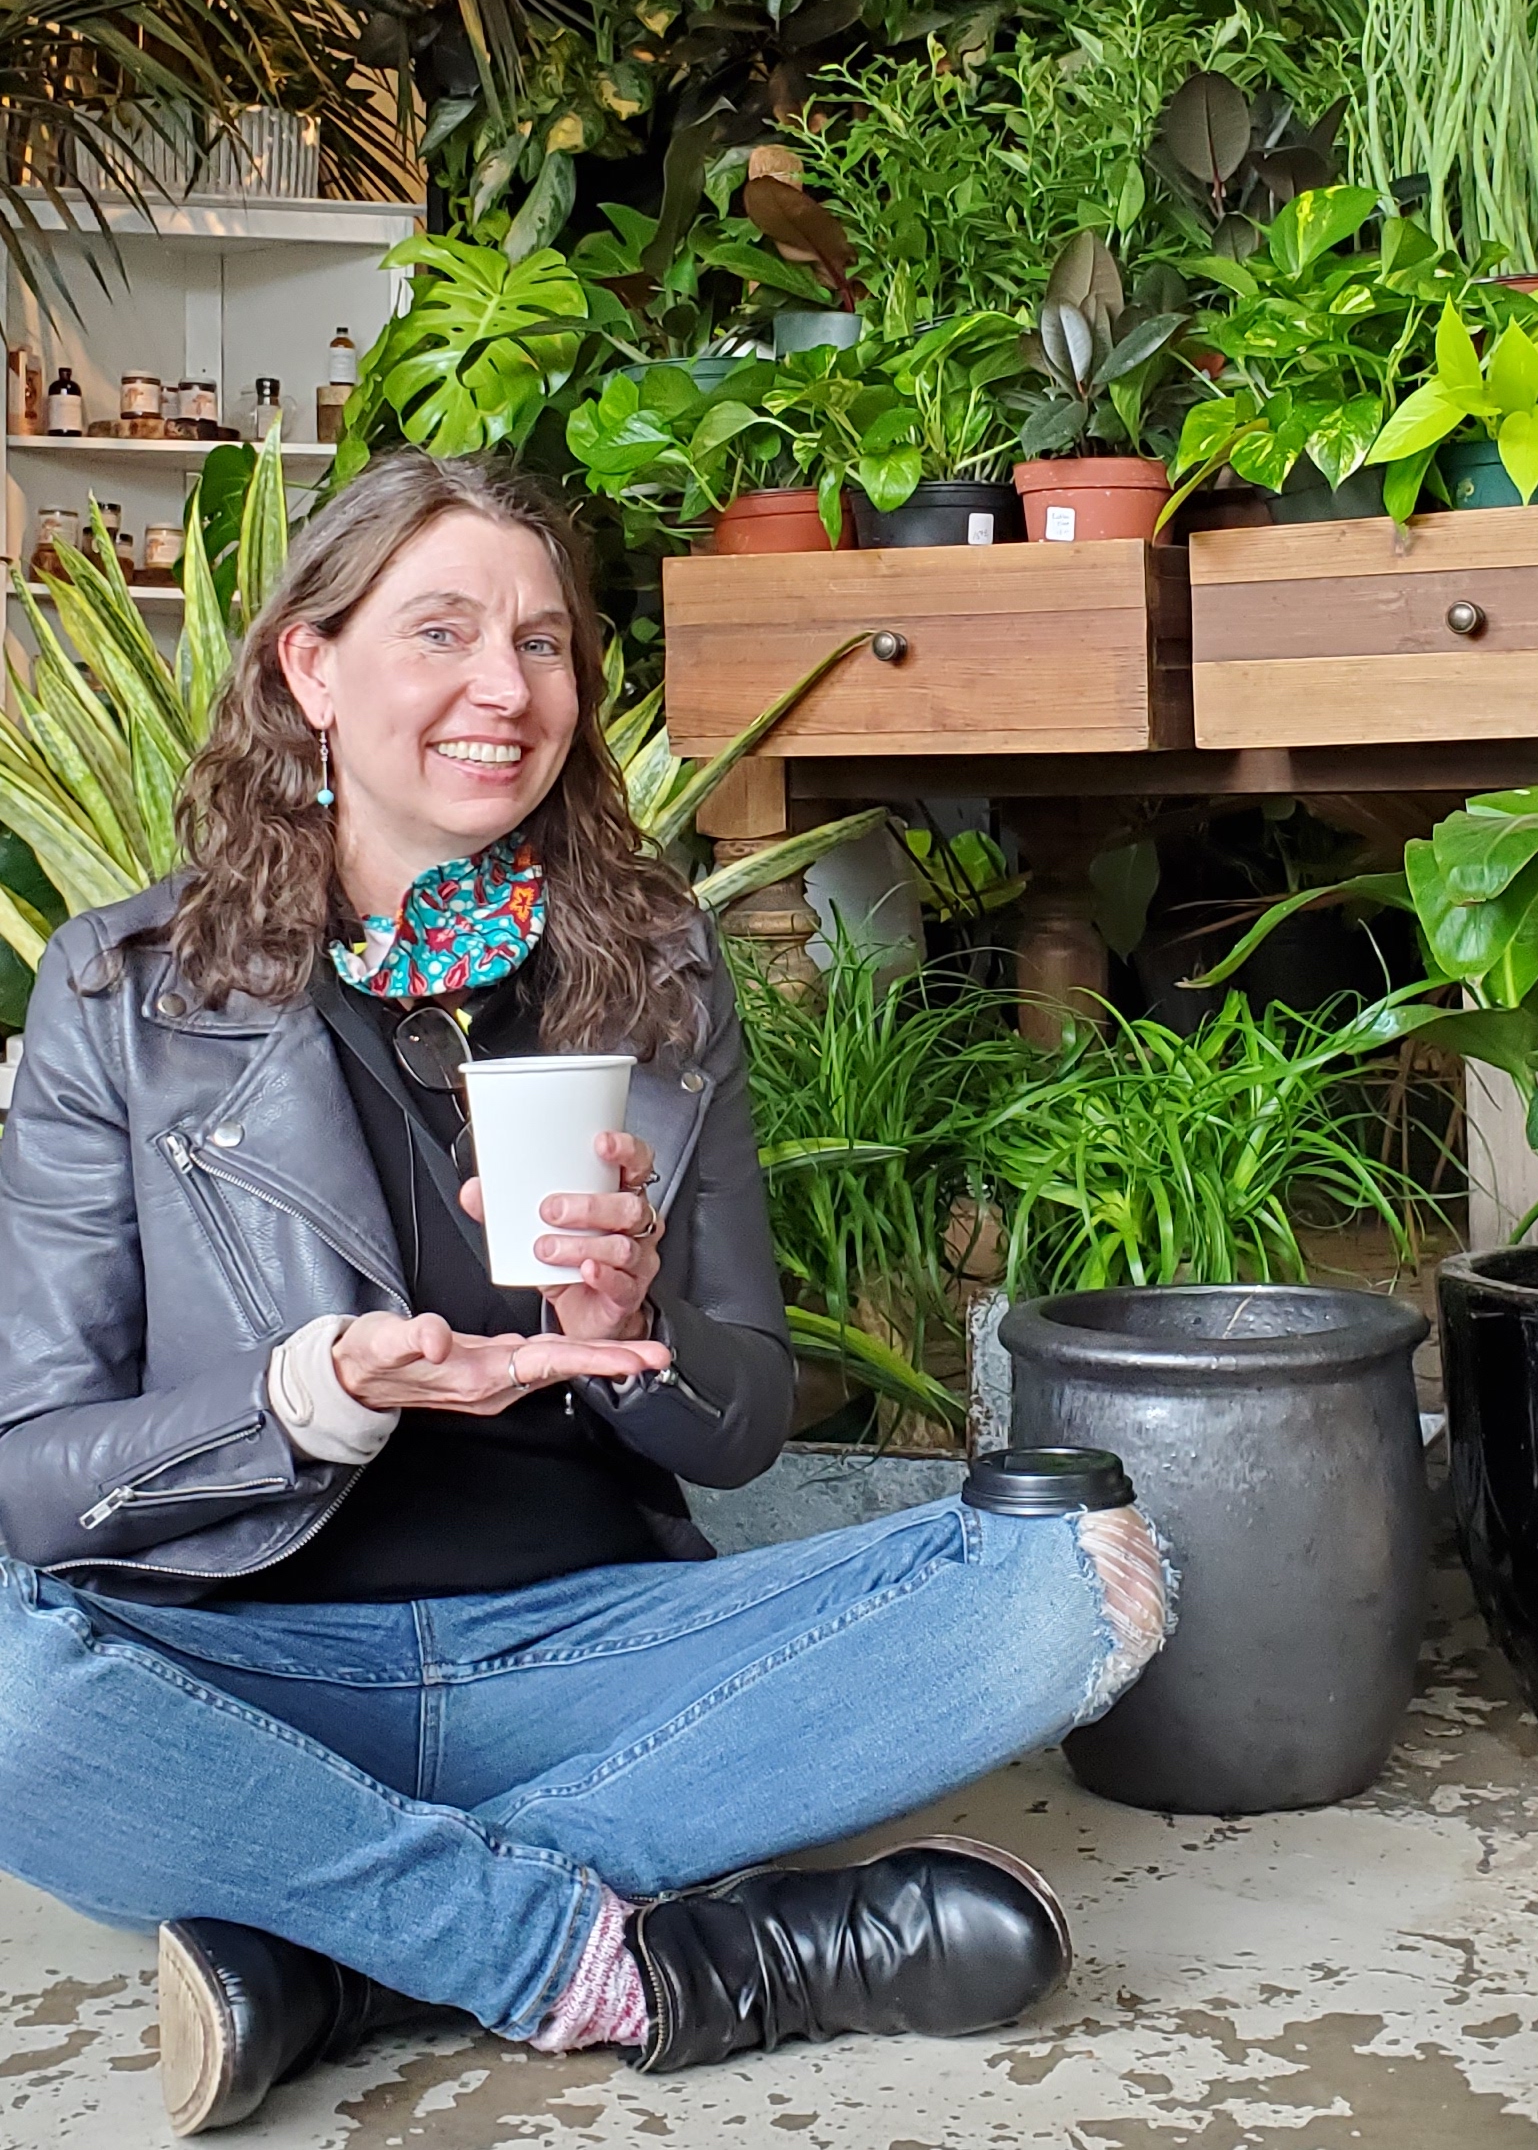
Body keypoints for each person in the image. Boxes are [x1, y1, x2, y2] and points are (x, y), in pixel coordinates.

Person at [0, 450, 1168, 2136]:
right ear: (311, 669)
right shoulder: (128, 991)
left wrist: (634, 1332)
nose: (506, 687)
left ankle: (345, 1955)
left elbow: (742, 1422)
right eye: (443, 632)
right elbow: (36, 1478)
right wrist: (303, 1400)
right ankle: (652, 1957)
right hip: (237, 1675)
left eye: (542, 642)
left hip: (589, 1650)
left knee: (1073, 1578)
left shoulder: (652, 965)